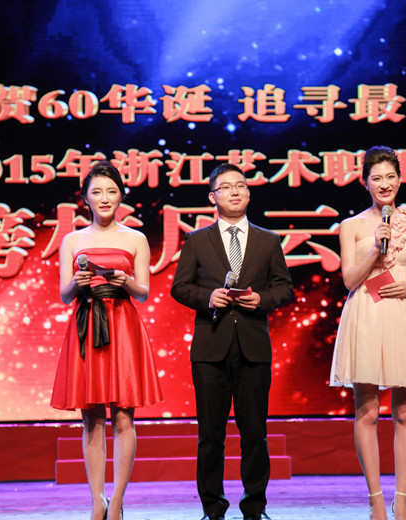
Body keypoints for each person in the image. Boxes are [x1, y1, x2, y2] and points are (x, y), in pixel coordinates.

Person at [171, 164, 294, 520]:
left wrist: (262, 300)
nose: (235, 192)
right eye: (226, 187)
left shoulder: (268, 240)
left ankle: (255, 506)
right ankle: (213, 508)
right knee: (211, 435)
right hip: (210, 349)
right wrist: (207, 297)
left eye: (240, 185)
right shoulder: (197, 240)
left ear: (249, 194)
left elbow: (284, 288)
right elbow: (179, 287)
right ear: (213, 197)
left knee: (255, 433)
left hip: (253, 348)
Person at [329, 146, 406, 520]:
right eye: (376, 178)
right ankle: (376, 500)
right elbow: (349, 280)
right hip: (366, 313)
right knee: (368, 410)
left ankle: (402, 499)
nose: (384, 184)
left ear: (400, 180)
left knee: (405, 411)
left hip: (402, 312)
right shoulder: (352, 226)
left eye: (391, 176)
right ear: (365, 183)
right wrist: (376, 247)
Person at [51, 160, 163, 520]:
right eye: (97, 192)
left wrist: (126, 281)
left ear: (121, 196)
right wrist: (76, 283)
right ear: (85, 198)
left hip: (123, 326)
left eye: (111, 191)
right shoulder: (72, 239)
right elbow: (64, 295)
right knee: (91, 419)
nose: (104, 198)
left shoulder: (135, 238)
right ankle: (97, 500)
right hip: (86, 324)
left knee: (124, 417)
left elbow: (143, 293)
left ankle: (117, 501)